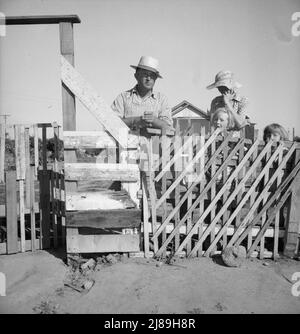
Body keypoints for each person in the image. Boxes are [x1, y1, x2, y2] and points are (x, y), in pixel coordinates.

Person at [111, 56, 173, 132]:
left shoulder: (161, 100)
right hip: (125, 143)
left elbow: (168, 127)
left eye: (152, 75)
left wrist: (154, 121)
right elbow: (111, 123)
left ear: (156, 79)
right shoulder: (123, 97)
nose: (148, 79)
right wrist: (136, 120)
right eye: (145, 74)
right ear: (136, 76)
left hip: (152, 143)